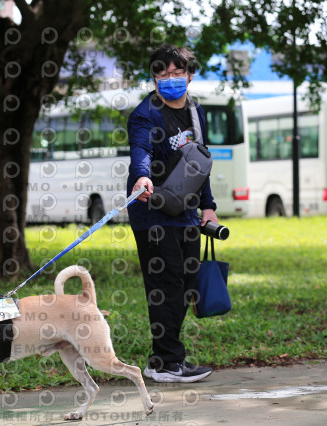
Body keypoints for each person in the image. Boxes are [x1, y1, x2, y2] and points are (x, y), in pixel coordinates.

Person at [126, 44, 219, 383]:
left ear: (189, 75)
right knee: (166, 284)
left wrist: (208, 207)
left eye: (176, 73)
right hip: (152, 212)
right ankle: (165, 362)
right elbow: (140, 151)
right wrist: (142, 175)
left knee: (187, 285)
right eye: (161, 73)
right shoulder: (145, 114)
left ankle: (167, 358)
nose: (169, 79)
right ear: (153, 78)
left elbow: (201, 162)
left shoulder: (196, 113)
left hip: (187, 213)